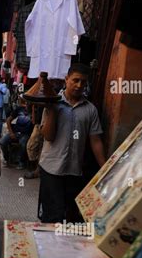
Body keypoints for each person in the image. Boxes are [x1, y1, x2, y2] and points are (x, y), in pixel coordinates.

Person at [39, 63, 106, 224]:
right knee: (52, 217)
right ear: (66, 79)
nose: (79, 85)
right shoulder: (53, 103)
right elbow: (48, 136)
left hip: (74, 172)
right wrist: (53, 110)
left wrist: (105, 169)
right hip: (51, 170)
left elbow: (95, 141)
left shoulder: (90, 110)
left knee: (73, 219)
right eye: (75, 80)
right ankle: (49, 248)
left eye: (83, 82)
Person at [0, 98, 33, 170]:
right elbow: (8, 120)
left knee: (23, 143)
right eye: (27, 102)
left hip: (25, 134)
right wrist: (11, 133)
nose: (27, 104)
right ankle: (7, 158)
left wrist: (33, 112)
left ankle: (21, 162)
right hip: (15, 132)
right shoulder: (20, 109)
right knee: (3, 142)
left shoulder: (34, 111)